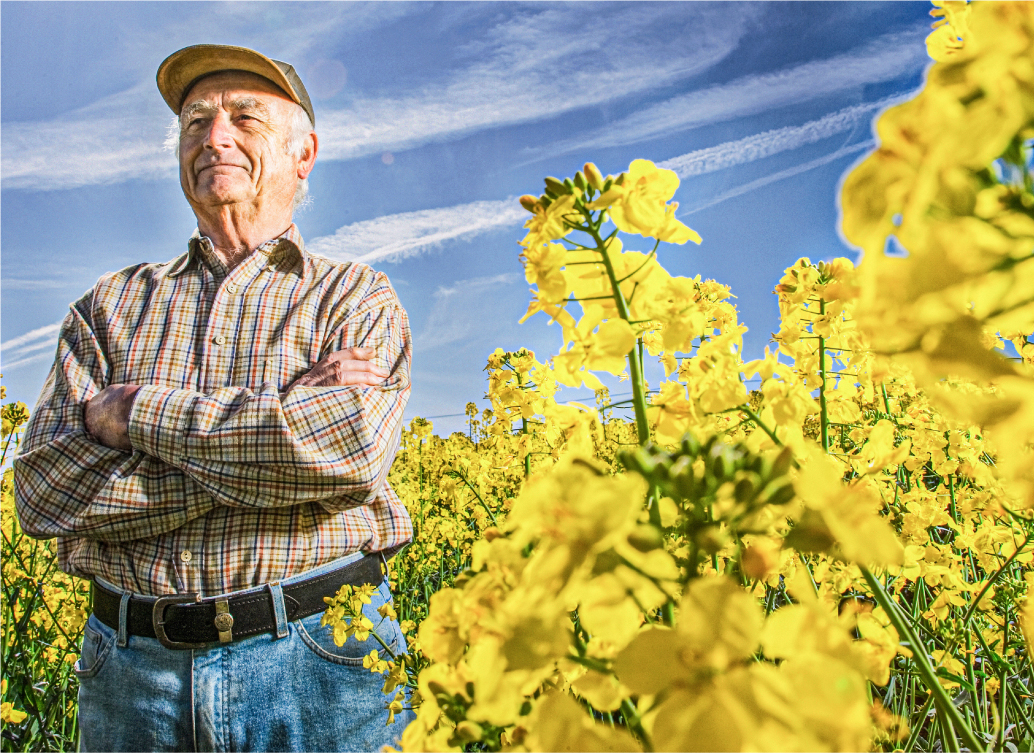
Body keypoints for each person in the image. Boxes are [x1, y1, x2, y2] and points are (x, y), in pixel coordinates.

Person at [12, 44, 415, 752]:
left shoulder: (355, 295)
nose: (212, 136)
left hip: (324, 660)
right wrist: (275, 437)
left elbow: (346, 452)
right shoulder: (107, 307)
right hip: (132, 672)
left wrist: (135, 412)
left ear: (304, 153)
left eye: (243, 117)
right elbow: (43, 491)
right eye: (195, 121)